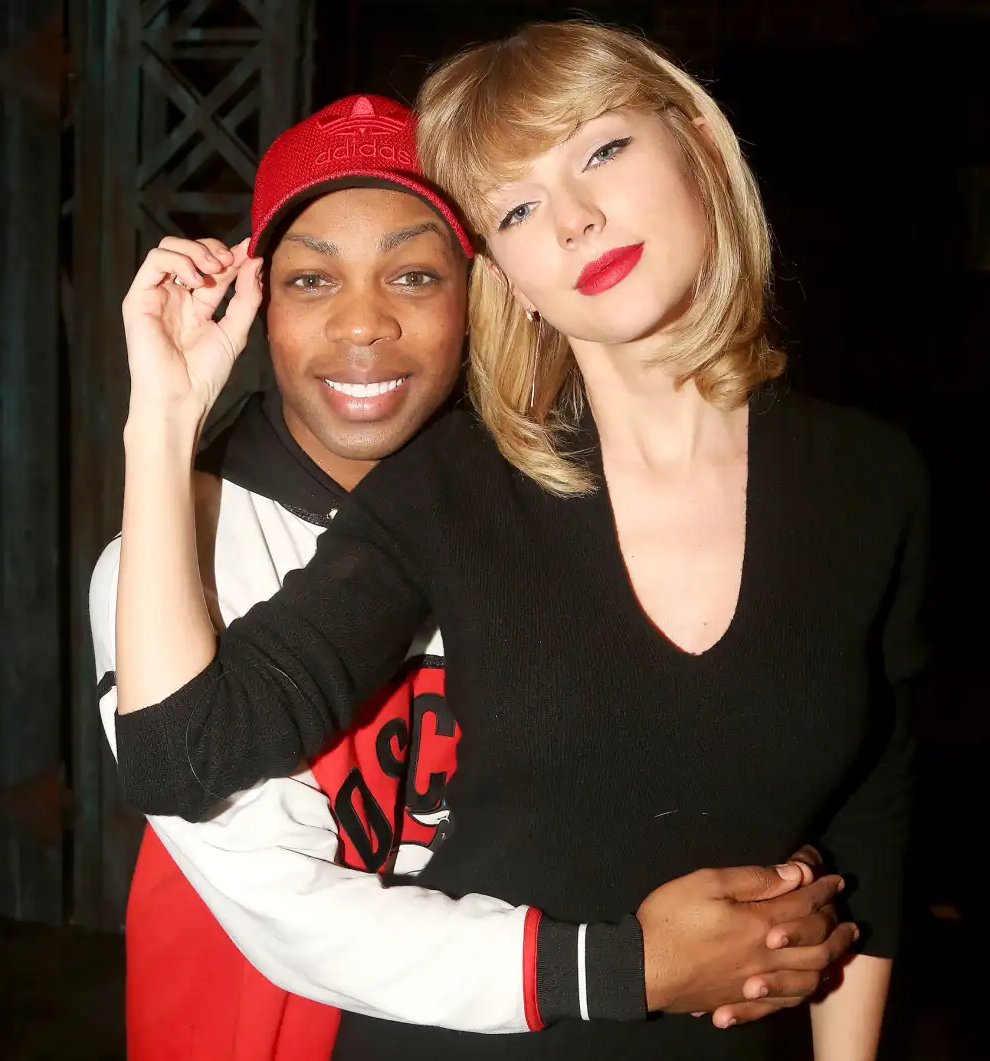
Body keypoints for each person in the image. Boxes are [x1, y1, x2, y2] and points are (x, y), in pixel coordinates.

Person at [108, 18, 925, 1058]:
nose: (576, 219)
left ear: (698, 144)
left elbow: (873, 810)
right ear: (506, 273)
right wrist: (163, 417)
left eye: (602, 149)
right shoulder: (449, 488)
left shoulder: (871, 477)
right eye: (520, 206)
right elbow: (178, 759)